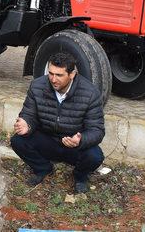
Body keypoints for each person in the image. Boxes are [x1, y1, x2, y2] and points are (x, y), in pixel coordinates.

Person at [10, 52, 105, 193]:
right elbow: (29, 113)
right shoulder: (37, 86)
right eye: (51, 73)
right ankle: (43, 169)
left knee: (95, 156)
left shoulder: (90, 93)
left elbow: (97, 130)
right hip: (47, 140)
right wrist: (26, 124)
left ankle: (80, 177)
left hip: (72, 145)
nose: (53, 79)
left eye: (59, 75)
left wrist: (80, 139)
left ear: (72, 74)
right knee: (18, 141)